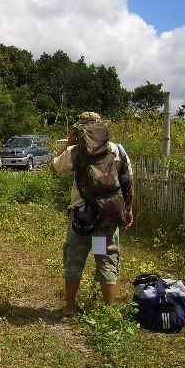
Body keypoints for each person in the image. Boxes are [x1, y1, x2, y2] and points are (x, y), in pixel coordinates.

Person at [52, 112, 134, 316]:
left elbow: (55, 167)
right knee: (104, 257)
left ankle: (70, 307)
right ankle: (108, 311)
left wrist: (68, 144)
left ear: (79, 129)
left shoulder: (75, 151)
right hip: (105, 218)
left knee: (75, 258)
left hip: (82, 218)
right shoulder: (117, 150)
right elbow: (128, 181)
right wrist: (128, 209)